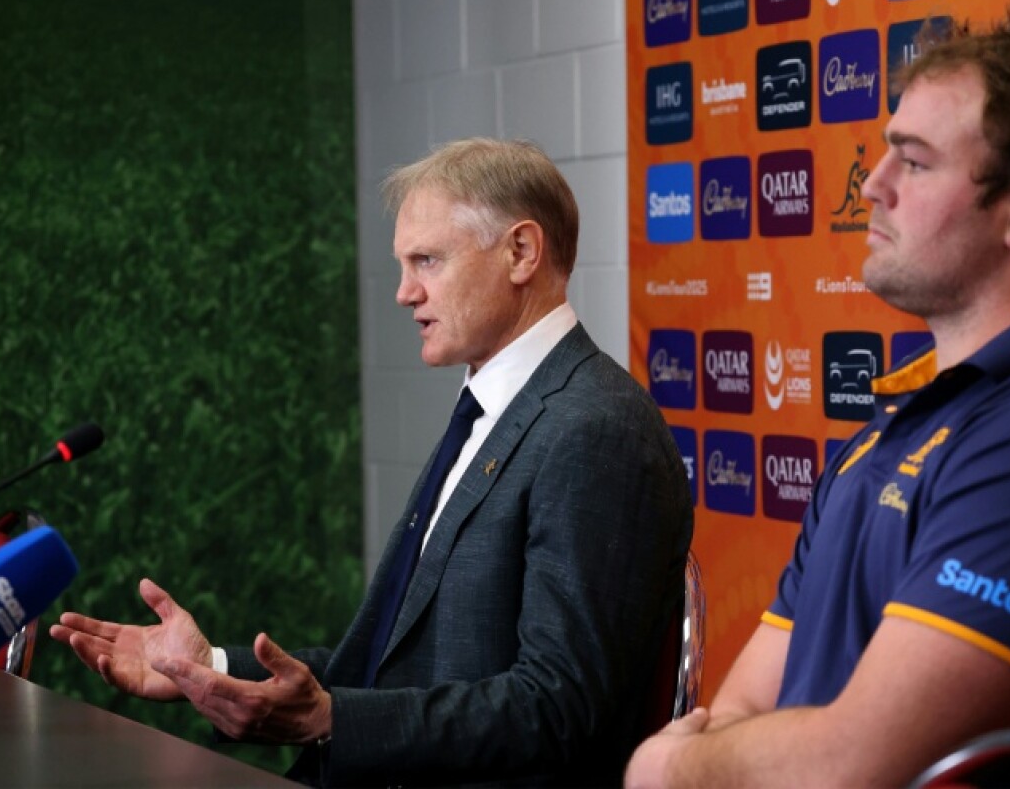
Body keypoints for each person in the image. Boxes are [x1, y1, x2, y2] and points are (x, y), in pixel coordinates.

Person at [626, 12, 1010, 788]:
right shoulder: (894, 427)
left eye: (917, 163)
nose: (873, 184)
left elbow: (854, 764)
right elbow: (746, 707)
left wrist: (675, 768)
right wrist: (713, 759)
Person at [52, 138, 695, 787]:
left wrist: (330, 721)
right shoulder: (498, 410)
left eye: (427, 261)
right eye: (403, 264)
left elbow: (557, 711)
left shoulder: (596, 429)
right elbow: (391, 669)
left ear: (521, 252)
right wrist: (208, 665)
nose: (404, 293)